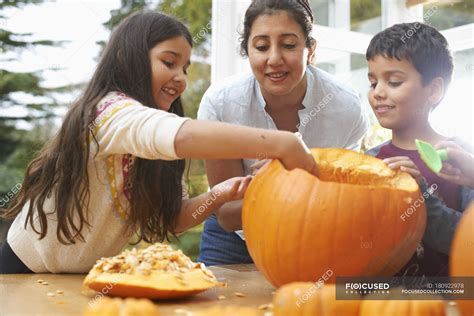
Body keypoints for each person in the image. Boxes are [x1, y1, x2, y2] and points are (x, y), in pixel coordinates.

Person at [0, 11, 318, 274]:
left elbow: (173, 219)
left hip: (81, 277)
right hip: (22, 270)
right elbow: (182, 134)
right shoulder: (108, 112)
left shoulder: (155, 139)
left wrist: (219, 194)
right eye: (169, 63)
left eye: (185, 68)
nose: (180, 77)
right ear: (130, 59)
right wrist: (281, 144)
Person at [197, 0, 369, 266]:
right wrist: (292, 187)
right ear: (247, 51)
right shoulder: (221, 104)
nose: (274, 59)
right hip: (235, 237)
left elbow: (344, 203)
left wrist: (288, 180)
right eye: (262, 47)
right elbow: (228, 216)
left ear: (310, 50)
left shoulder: (346, 108)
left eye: (289, 45)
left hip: (312, 232)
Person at [364, 22, 474, 276]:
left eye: (393, 82)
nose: (378, 93)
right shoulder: (369, 161)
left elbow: (466, 242)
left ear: (433, 90)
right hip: (383, 302)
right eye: (372, 83)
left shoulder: (461, 159)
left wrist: (420, 199)